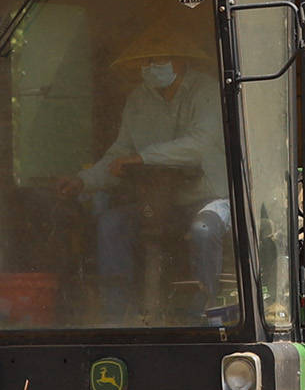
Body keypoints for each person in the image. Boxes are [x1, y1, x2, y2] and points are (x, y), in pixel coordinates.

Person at [84, 53, 230, 317]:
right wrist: (83, 181)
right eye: (147, 60)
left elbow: (199, 146)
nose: (152, 66)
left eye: (160, 58)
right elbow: (119, 154)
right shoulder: (138, 100)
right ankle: (116, 317)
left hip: (213, 197)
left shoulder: (207, 91)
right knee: (111, 224)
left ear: (181, 59)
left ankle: (207, 315)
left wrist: (143, 157)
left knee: (204, 229)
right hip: (162, 203)